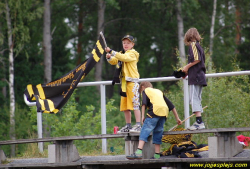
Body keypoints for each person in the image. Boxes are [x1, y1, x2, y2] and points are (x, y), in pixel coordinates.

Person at [126, 81, 182, 159]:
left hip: (154, 111)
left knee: (145, 130)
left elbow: (144, 104)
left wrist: (142, 116)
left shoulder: (146, 90)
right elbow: (171, 105)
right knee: (158, 131)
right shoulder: (159, 91)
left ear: (142, 87)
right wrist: (177, 118)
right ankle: (157, 154)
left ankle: (138, 152)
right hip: (164, 112)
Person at [105, 35, 141, 133]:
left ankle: (138, 125)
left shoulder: (132, 54)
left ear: (132, 45)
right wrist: (109, 57)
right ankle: (128, 125)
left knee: (135, 104)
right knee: (125, 106)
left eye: (128, 43)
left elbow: (123, 57)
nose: (126, 45)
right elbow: (115, 61)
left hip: (132, 82)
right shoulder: (121, 53)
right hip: (124, 84)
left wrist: (111, 51)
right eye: (124, 43)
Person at [182, 28, 207, 130]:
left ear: (189, 37)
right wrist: (186, 72)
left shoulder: (193, 45)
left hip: (195, 77)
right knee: (197, 98)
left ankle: (199, 122)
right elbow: (200, 62)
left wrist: (186, 67)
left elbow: (197, 60)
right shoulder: (199, 47)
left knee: (193, 99)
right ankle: (199, 121)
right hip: (200, 76)